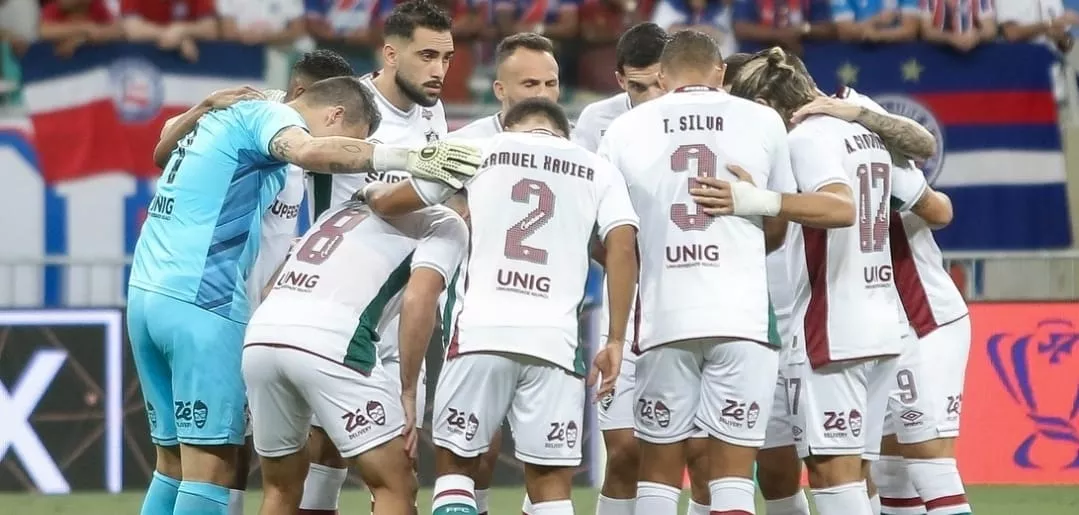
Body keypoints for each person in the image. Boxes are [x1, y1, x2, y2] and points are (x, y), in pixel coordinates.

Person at [127, 75, 481, 515]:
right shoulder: (275, 117)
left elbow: (162, 147)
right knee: (212, 468)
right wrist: (410, 158)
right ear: (334, 116)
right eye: (353, 143)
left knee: (173, 465)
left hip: (146, 293)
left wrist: (203, 104)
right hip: (205, 299)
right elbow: (312, 150)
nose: (346, 163)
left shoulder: (227, 113)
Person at [358, 97, 641, 515]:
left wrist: (368, 190)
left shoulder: (480, 149)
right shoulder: (598, 168)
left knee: (458, 467)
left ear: (508, 127)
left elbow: (393, 202)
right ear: (561, 132)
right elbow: (622, 246)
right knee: (550, 482)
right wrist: (616, 338)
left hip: (480, 334)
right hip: (556, 343)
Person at [146, 49, 357, 515]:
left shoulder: (247, 117)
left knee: (181, 462)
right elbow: (162, 149)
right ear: (309, 97)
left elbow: (164, 150)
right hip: (215, 303)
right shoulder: (266, 118)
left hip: (188, 295)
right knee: (218, 460)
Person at [597, 30, 783, 515]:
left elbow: (611, 237)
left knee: (657, 473)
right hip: (742, 318)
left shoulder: (624, 130)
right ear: (721, 72)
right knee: (733, 475)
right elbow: (780, 226)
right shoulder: (764, 121)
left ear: (661, 75)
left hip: (664, 318)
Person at [724, 47, 904, 515]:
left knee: (831, 472)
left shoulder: (806, 138)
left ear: (764, 105)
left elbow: (841, 207)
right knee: (858, 473)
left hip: (835, 321)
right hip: (880, 313)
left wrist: (759, 199)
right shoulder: (859, 130)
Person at [300, 3, 456, 511]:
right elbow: (374, 200)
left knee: (399, 474)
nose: (439, 70)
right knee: (324, 459)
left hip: (398, 319)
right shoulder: (348, 107)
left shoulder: (432, 110)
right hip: (342, 313)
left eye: (447, 58)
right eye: (427, 56)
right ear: (390, 53)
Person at [242, 194, 469, 515]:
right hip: (333, 339)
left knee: (281, 488)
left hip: (262, 334)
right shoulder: (446, 221)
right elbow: (419, 298)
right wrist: (406, 390)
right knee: (395, 483)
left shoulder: (340, 210)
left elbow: (268, 289)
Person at [576, 22, 712, 515]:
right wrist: (626, 264)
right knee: (627, 452)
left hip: (696, 299)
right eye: (638, 86)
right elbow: (584, 222)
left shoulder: (706, 117)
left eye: (660, 83)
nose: (652, 96)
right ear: (619, 80)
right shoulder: (598, 124)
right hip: (627, 304)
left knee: (702, 454)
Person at [826, 87, 973, 515]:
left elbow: (940, 207)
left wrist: (856, 113)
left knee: (929, 461)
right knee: (890, 469)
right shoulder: (785, 142)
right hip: (875, 328)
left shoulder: (856, 129)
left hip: (922, 317)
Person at [444, 30, 561, 515]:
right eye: (529, 83)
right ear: (499, 90)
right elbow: (440, 216)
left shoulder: (574, 147)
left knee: (550, 459)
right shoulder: (465, 144)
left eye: (551, 84)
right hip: (477, 314)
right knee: (477, 451)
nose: (542, 95)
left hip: (553, 317)